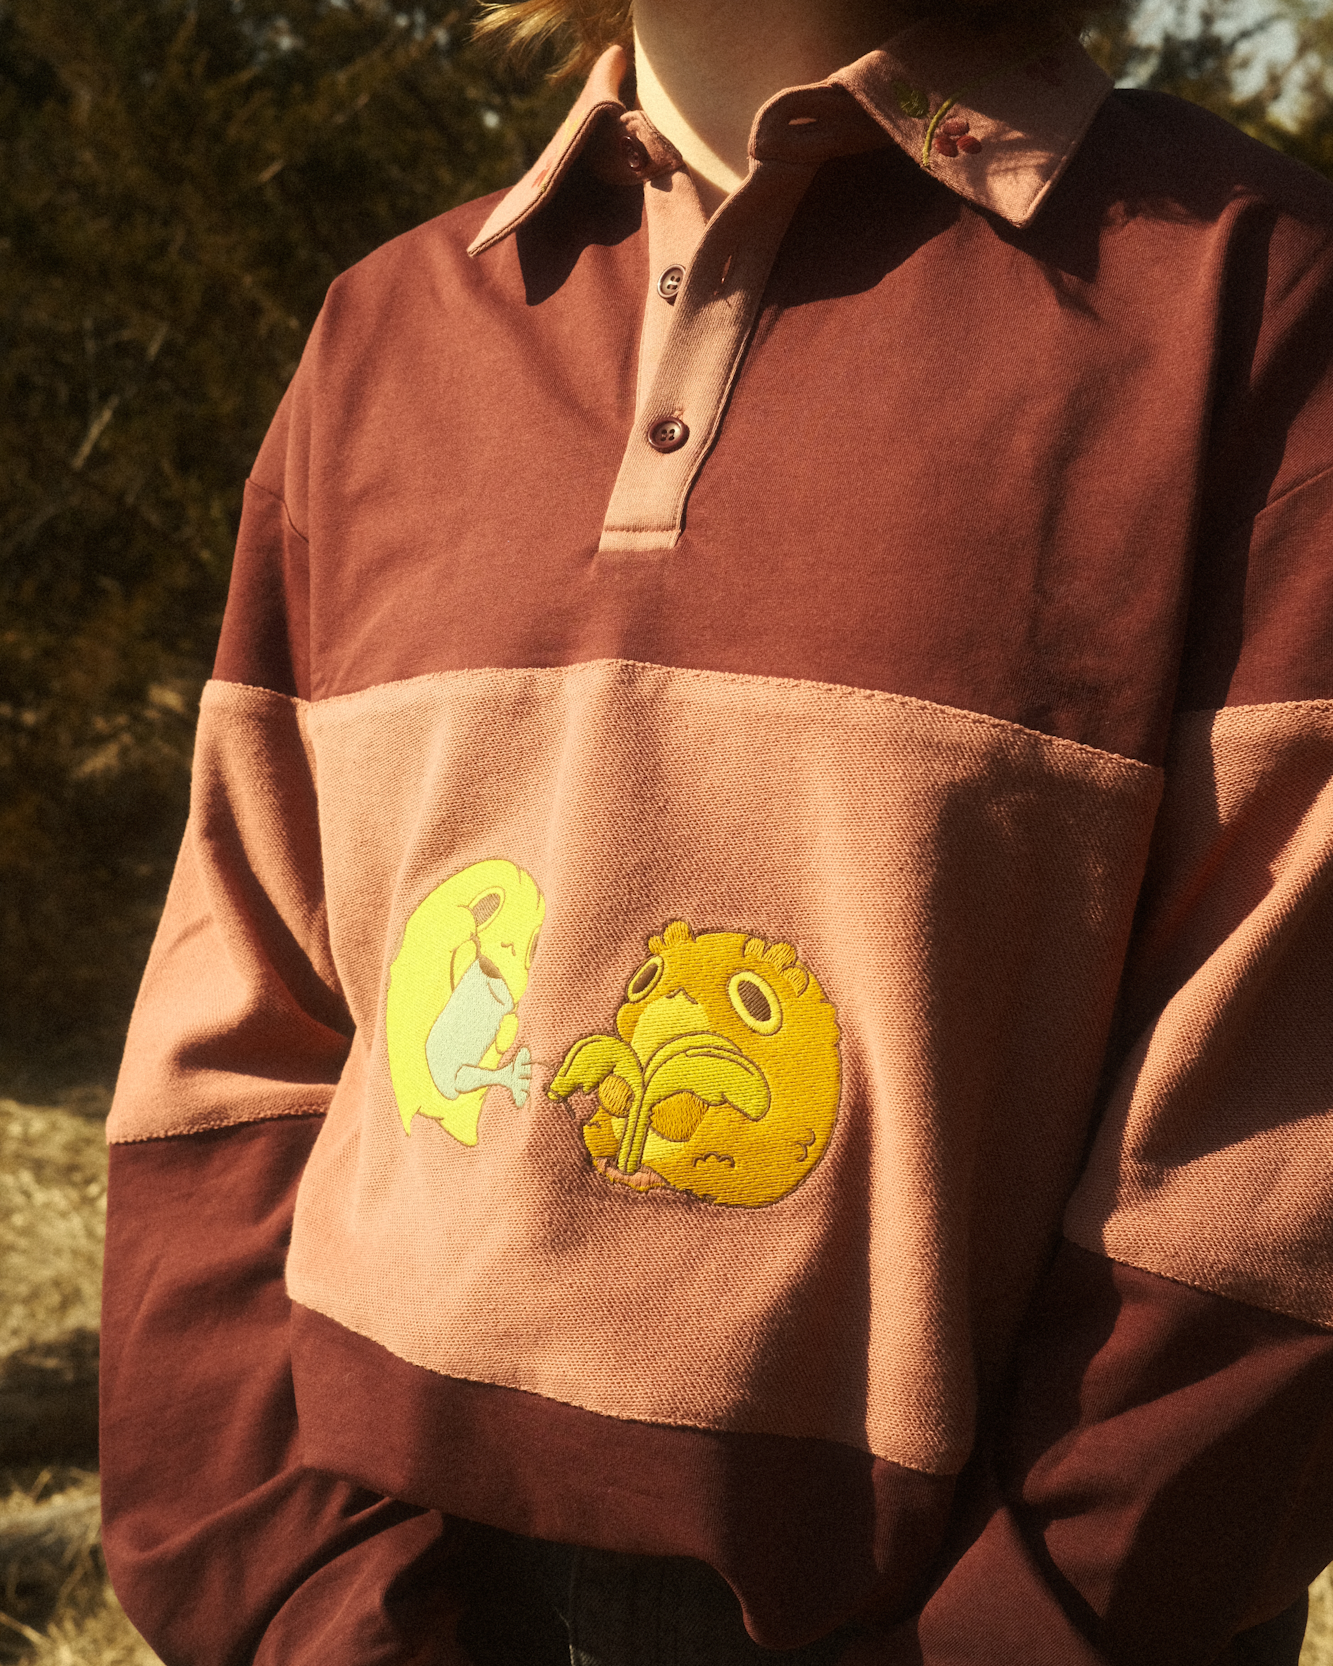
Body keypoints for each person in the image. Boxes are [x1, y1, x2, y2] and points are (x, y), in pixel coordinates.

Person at [99, 0, 1333, 1661]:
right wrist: (307, 1605)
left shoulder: (1248, 299)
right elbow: (229, 1041)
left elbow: (1273, 1164)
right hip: (382, 1580)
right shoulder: (393, 330)